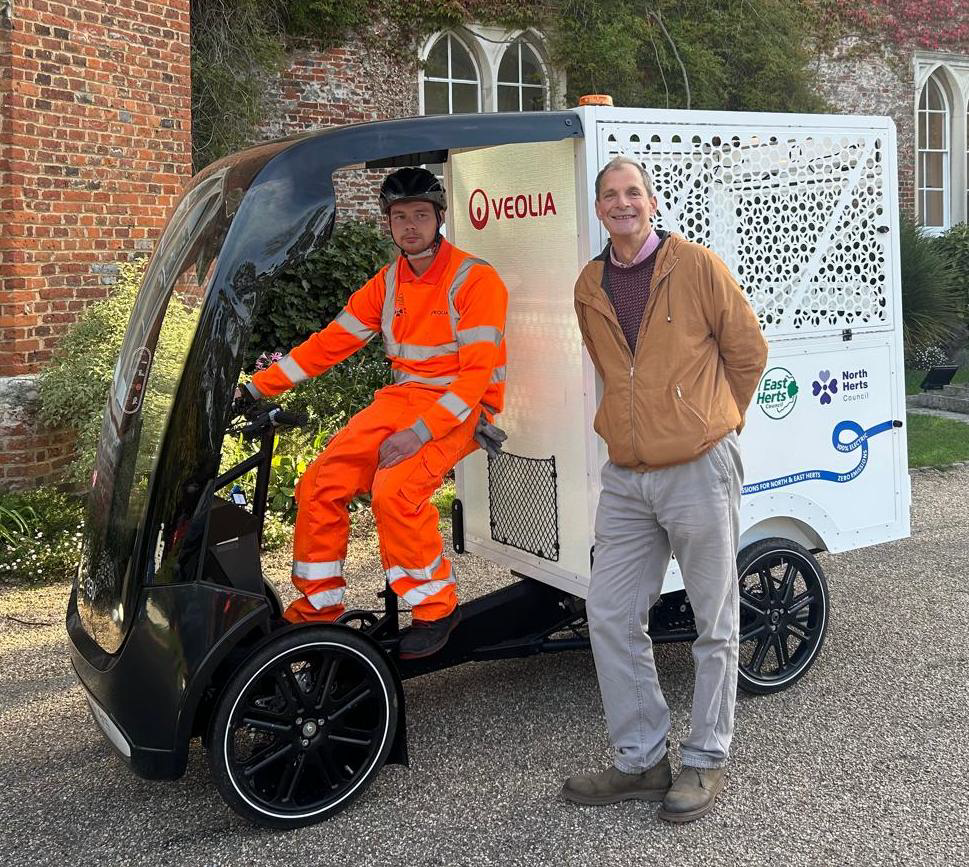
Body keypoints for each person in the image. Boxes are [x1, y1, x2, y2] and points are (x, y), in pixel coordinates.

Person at [562, 156, 768, 822]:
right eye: (610, 196)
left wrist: (713, 422)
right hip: (626, 478)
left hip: (698, 467)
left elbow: (748, 351)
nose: (622, 204)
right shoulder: (589, 283)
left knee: (714, 622)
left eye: (632, 194)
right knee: (611, 615)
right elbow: (608, 371)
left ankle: (704, 761)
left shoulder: (697, 266)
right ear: (599, 210)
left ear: (650, 203)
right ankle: (641, 761)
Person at [235, 167, 508, 659]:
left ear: (439, 217)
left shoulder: (476, 279)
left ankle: (436, 608)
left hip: (463, 408)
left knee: (394, 491)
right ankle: (317, 609)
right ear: (387, 222)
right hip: (404, 399)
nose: (409, 226)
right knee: (319, 484)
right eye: (399, 216)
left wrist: (419, 434)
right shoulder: (387, 284)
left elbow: (472, 381)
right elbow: (328, 345)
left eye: (420, 216)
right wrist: (256, 388)